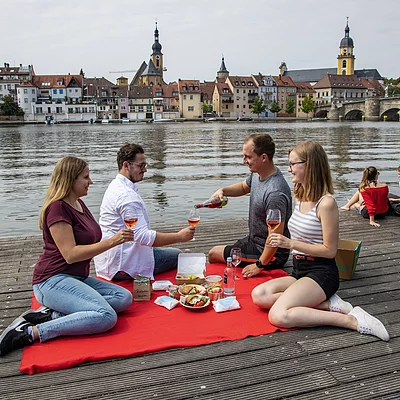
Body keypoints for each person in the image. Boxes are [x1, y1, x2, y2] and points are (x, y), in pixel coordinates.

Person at [251, 141, 390, 342]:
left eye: (293, 164)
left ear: (310, 165)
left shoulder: (326, 203)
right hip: (299, 270)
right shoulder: (299, 196)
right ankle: (330, 305)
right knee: (259, 295)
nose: (289, 169)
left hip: (321, 272)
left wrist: (290, 244)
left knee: (278, 315)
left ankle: (352, 320)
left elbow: (329, 250)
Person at [0, 156, 134, 357]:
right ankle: (29, 332)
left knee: (123, 297)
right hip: (51, 280)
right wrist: (113, 242)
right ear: (71, 180)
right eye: (86, 177)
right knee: (106, 316)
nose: (91, 181)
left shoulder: (79, 204)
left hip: (76, 278)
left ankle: (52, 314)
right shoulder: (57, 208)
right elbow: (70, 255)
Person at [94, 143, 194, 281]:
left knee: (171, 253)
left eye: (145, 165)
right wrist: (179, 236)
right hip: (123, 264)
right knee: (178, 255)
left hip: (109, 260)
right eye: (141, 166)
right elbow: (142, 236)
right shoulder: (126, 196)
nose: (145, 170)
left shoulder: (116, 186)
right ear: (126, 165)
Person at [208, 133, 292, 278]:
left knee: (214, 254)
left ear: (263, 157)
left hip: (270, 253)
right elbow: (243, 187)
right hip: (254, 241)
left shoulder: (275, 193)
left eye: (247, 157)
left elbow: (275, 235)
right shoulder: (258, 174)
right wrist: (222, 191)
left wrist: (259, 265)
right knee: (226, 256)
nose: (243, 161)